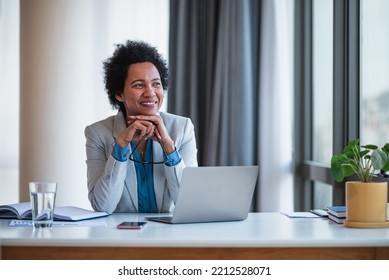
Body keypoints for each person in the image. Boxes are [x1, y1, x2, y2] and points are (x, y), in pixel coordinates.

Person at [84, 40, 198, 214]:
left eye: (156, 83)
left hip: (170, 237)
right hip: (121, 237)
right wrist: (120, 147)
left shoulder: (182, 128)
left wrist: (169, 148)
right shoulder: (97, 134)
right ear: (119, 94)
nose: (151, 92)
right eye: (139, 85)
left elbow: (190, 205)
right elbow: (102, 206)